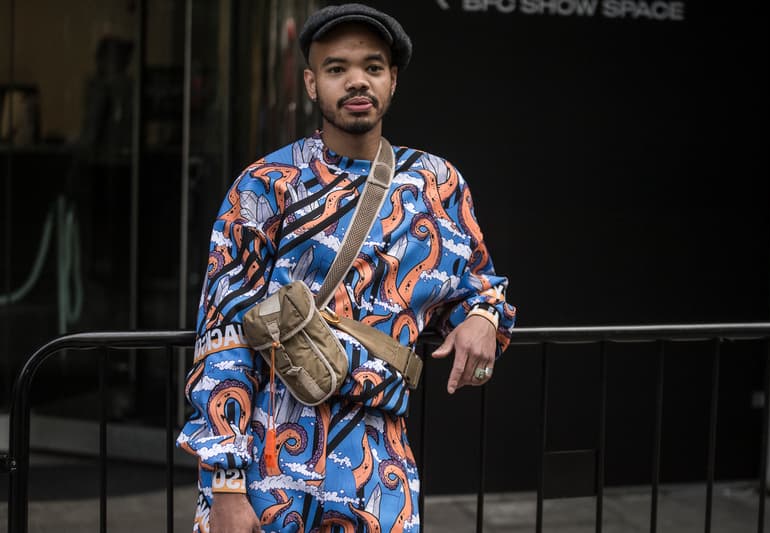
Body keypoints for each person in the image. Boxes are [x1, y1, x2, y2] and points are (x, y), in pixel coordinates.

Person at [177, 4, 516, 532]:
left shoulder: (436, 186)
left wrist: (484, 318)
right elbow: (223, 338)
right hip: (269, 466)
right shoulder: (266, 186)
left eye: (373, 67)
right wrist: (223, 485)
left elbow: (480, 285)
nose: (357, 80)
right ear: (312, 84)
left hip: (379, 469)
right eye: (336, 68)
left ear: (393, 79)